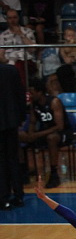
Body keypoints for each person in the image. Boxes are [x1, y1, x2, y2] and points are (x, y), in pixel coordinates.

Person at [19, 79, 72, 189]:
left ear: (40, 92)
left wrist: (37, 135)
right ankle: (23, 170)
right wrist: (30, 134)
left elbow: (59, 126)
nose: (30, 95)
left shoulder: (54, 102)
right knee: (18, 135)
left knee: (51, 138)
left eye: (32, 92)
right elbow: (32, 122)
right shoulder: (34, 105)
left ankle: (54, 173)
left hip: (63, 133)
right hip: (44, 132)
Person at [0, 60, 26, 211]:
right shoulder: (11, 70)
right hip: (11, 121)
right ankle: (18, 195)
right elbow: (20, 95)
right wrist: (21, 117)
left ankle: (3, 198)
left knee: (1, 161)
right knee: (13, 159)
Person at [0, 9, 37, 86]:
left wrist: (21, 34)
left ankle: (22, 90)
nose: (12, 20)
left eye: (14, 17)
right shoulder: (3, 35)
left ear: (18, 18)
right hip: (9, 62)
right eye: (10, 18)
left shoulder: (28, 31)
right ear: (7, 20)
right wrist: (6, 61)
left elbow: (33, 49)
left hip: (26, 60)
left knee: (18, 66)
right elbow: (1, 55)